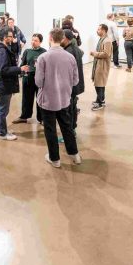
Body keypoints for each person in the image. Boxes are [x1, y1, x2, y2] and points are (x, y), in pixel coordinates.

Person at [35, 28, 80, 168]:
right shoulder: (70, 57)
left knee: (50, 129)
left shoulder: (43, 57)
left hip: (48, 101)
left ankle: (55, 159)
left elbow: (38, 82)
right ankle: (74, 154)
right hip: (64, 99)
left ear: (50, 38)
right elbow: (75, 81)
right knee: (67, 127)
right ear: (62, 39)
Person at [0, 28, 25, 140]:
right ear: (5, 37)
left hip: (3, 84)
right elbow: (4, 69)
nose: (12, 38)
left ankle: (1, 129)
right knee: (3, 109)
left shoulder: (2, 49)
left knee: (2, 108)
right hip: (3, 84)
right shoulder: (2, 51)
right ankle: (2, 133)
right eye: (10, 36)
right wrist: (19, 69)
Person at [13, 33, 46, 125]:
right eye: (32, 40)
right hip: (28, 78)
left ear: (40, 42)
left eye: (36, 41)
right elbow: (22, 65)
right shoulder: (27, 51)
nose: (33, 42)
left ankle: (42, 118)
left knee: (40, 99)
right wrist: (22, 71)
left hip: (40, 78)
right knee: (26, 98)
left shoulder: (44, 52)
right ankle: (24, 116)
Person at [62, 29, 85, 133]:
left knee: (69, 109)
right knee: (73, 107)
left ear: (66, 38)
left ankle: (70, 132)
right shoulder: (76, 49)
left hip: (70, 86)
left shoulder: (68, 52)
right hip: (76, 85)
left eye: (61, 37)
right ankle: (73, 128)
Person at [90, 24, 113, 111]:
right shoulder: (102, 39)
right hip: (99, 64)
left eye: (99, 29)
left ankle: (100, 103)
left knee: (99, 84)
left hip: (102, 65)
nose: (97, 30)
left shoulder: (107, 41)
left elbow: (106, 54)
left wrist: (94, 53)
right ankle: (100, 100)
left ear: (104, 30)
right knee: (99, 83)